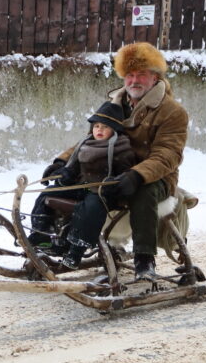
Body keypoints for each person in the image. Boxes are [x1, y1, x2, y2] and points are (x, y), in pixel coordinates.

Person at [42, 42, 188, 278]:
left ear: (155, 77)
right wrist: (62, 162)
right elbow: (93, 139)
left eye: (141, 74)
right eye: (129, 75)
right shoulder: (116, 104)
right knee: (67, 186)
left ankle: (144, 259)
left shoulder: (172, 112)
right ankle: (54, 242)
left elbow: (168, 154)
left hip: (154, 176)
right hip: (110, 170)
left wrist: (137, 174)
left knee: (144, 191)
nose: (134, 81)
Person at [28, 101, 137, 269]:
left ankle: (76, 250)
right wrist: (64, 173)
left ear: (114, 130)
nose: (99, 130)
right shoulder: (85, 145)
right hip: (81, 187)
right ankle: (41, 235)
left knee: (90, 208)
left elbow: (126, 174)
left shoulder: (121, 149)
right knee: (48, 194)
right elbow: (74, 166)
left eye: (105, 127)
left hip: (104, 193)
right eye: (97, 126)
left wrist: (116, 182)